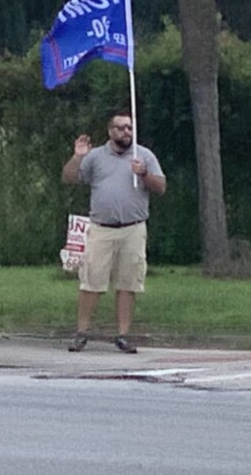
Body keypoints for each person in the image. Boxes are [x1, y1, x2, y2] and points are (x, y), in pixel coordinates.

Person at [61, 110, 166, 353]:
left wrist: (144, 174)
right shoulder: (96, 157)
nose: (125, 132)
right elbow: (68, 178)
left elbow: (160, 187)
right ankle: (82, 333)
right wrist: (78, 157)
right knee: (92, 281)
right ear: (110, 132)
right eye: (120, 128)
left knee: (128, 283)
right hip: (101, 230)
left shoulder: (144, 156)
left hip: (133, 229)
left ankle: (123, 335)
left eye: (129, 128)